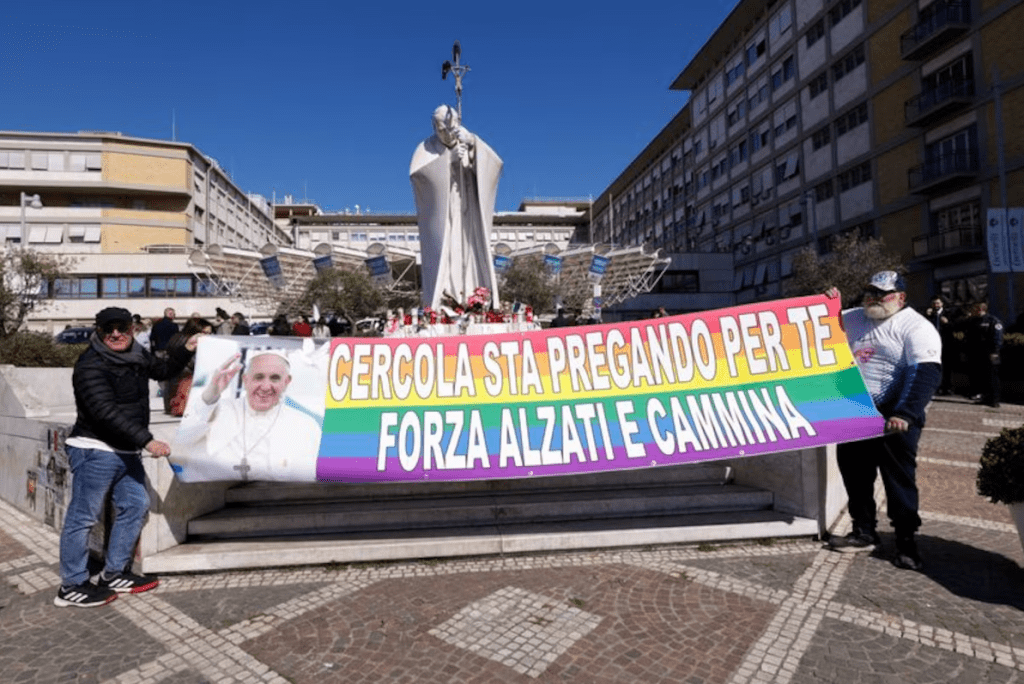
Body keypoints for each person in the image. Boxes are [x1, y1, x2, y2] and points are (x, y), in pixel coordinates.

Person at [55, 307, 198, 607]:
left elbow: (162, 371)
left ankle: (114, 572)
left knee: (135, 505)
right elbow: (104, 412)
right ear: (99, 331)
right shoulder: (90, 365)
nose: (116, 334)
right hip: (95, 449)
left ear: (132, 329)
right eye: (108, 330)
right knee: (82, 518)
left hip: (125, 449)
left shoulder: (135, 354)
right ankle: (72, 585)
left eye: (121, 327)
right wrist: (147, 441)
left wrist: (186, 349)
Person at [826, 271, 942, 571]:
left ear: (901, 298)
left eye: (883, 294)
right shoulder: (852, 318)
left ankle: (906, 540)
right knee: (855, 476)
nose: (874, 299)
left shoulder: (917, 327)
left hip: (895, 417)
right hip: (855, 413)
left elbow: (926, 374)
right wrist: (823, 303)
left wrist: (904, 413)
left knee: (898, 480)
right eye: (869, 293)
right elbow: (817, 324)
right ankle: (863, 531)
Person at [174, 350, 322, 481]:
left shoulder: (305, 424)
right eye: (258, 377)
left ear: (286, 382)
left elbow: (313, 472)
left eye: (275, 378)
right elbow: (183, 441)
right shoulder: (220, 410)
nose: (265, 387)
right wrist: (209, 397)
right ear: (245, 380)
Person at [411, 103, 503, 311]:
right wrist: (448, 161)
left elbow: (495, 165)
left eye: (448, 129)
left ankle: (475, 296)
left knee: (471, 250)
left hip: (469, 212)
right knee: (449, 253)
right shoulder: (426, 148)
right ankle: (447, 297)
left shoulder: (469, 139)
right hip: (445, 216)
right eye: (440, 130)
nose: (444, 134)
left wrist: (473, 147)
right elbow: (419, 176)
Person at [166, 317, 213, 416]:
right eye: (205, 333)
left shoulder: (176, 337)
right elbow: (193, 362)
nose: (208, 336)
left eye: (210, 333)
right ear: (195, 330)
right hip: (187, 376)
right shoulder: (192, 342)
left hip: (175, 375)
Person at [963, 301, 1003, 408]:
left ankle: (995, 400)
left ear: (981, 309)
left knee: (993, 376)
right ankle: (985, 397)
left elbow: (997, 338)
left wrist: (994, 352)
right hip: (978, 354)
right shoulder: (972, 321)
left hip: (991, 353)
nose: (972, 311)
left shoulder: (993, 321)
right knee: (982, 376)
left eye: (974, 309)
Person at [924, 296, 954, 395]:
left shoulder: (948, 313)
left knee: (946, 367)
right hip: (932, 344)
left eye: (937, 303)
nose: (935, 305)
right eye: (934, 303)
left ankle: (947, 387)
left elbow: (955, 326)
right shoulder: (929, 314)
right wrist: (927, 316)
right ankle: (936, 386)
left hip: (945, 343)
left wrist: (947, 323)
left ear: (942, 304)